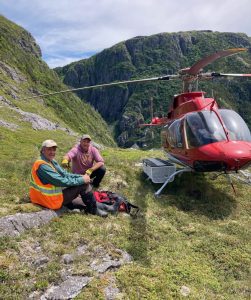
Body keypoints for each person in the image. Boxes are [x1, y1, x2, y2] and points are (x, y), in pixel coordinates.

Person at [29, 139, 108, 217]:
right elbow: (61, 181)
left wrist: (80, 176)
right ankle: (93, 210)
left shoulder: (50, 161)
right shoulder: (42, 166)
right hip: (48, 200)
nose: (52, 152)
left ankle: (99, 207)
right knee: (83, 185)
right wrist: (82, 180)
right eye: (49, 149)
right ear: (43, 150)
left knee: (83, 201)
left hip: (52, 195)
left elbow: (64, 174)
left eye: (54, 150)